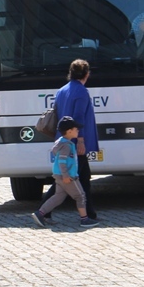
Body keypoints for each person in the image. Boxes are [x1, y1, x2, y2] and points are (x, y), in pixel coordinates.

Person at [41, 60, 99, 221]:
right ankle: (43, 211)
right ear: (87, 74)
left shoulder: (62, 90)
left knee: (80, 178)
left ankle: (90, 214)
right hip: (74, 144)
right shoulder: (81, 92)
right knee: (68, 180)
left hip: (64, 140)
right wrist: (80, 141)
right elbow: (78, 117)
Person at [32, 118, 98, 228]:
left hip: (60, 175)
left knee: (59, 196)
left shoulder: (63, 142)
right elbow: (62, 162)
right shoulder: (66, 145)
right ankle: (84, 219)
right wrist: (66, 175)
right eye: (76, 129)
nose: (78, 130)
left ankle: (40, 213)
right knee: (80, 196)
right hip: (67, 176)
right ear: (69, 131)